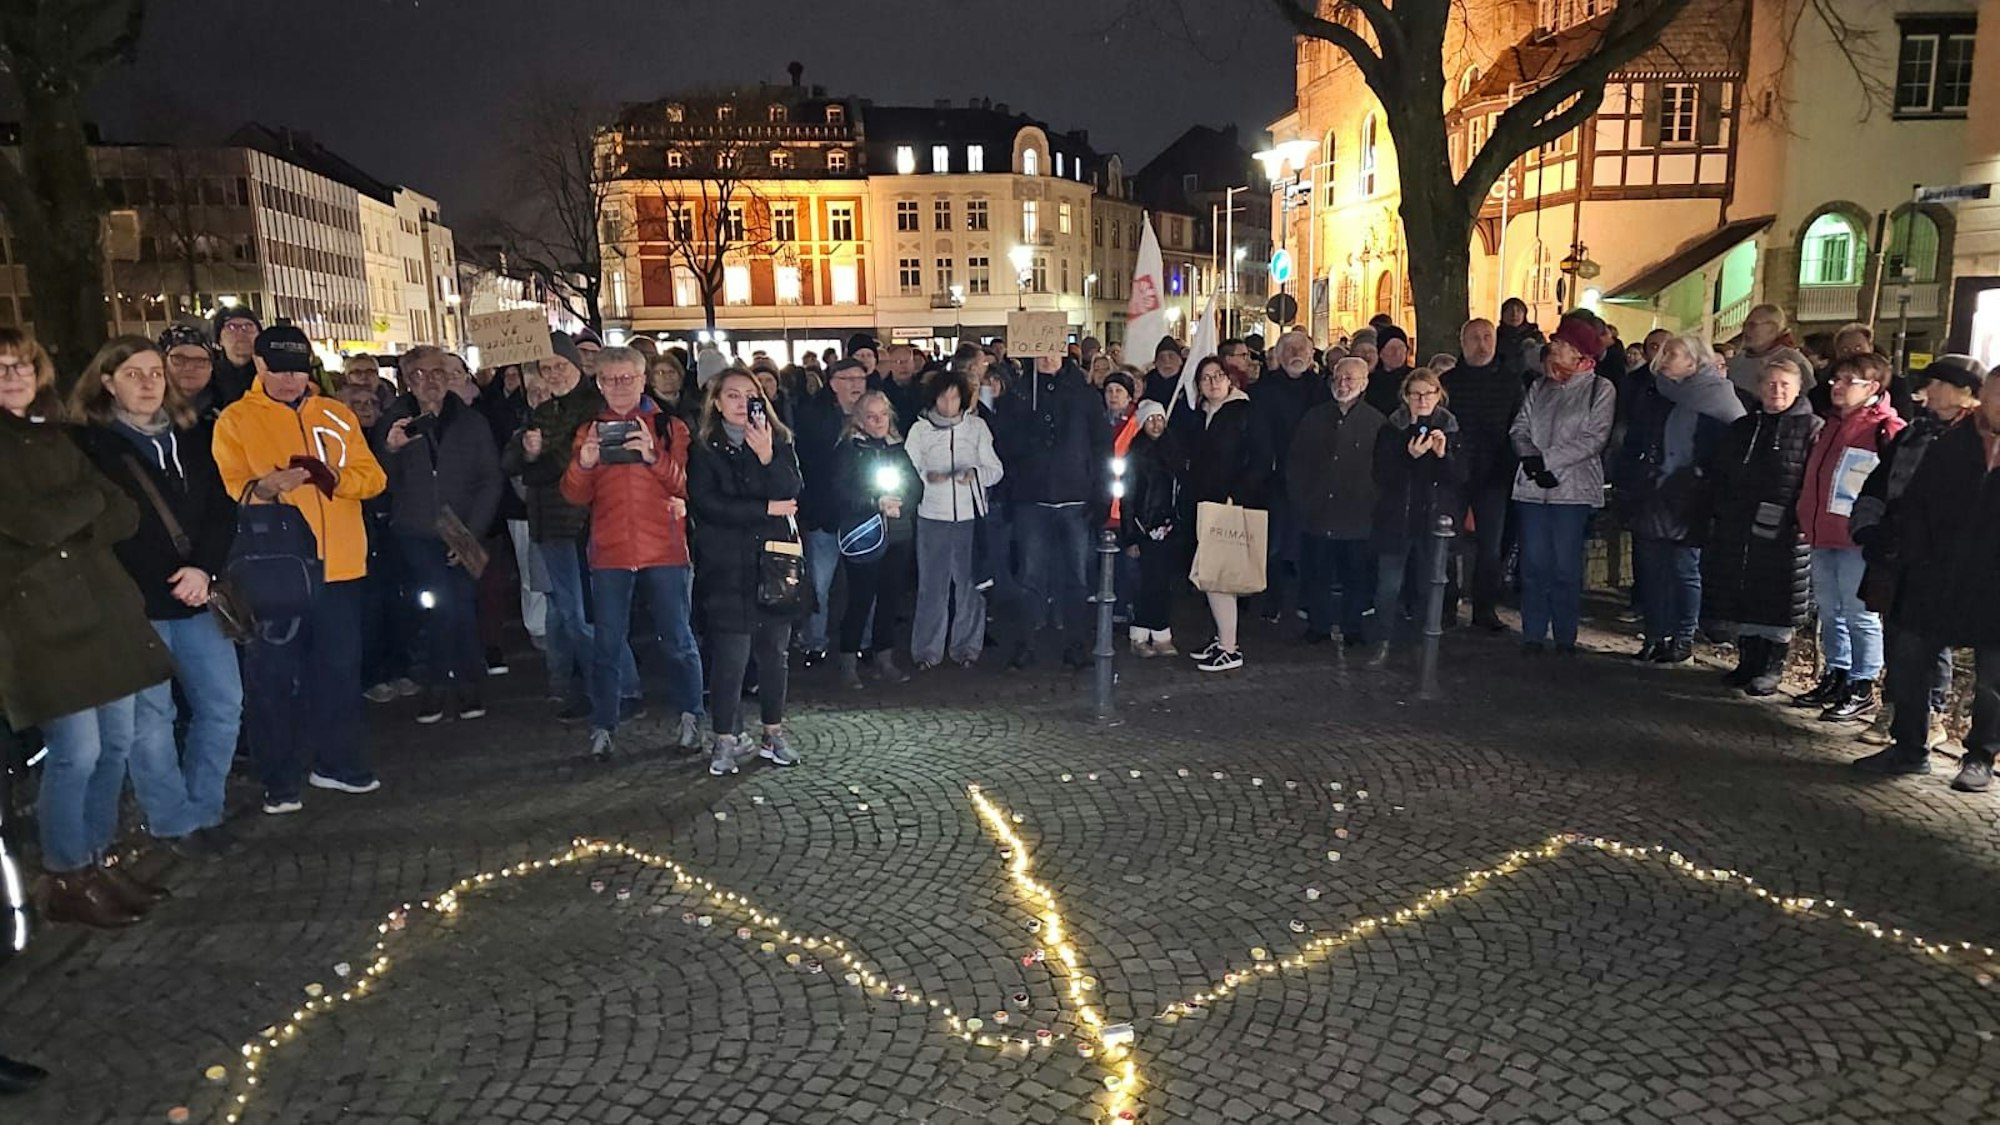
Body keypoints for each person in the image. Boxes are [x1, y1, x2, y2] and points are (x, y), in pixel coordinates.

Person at [0, 328, 177, 929]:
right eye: (1, 368)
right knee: (76, 753)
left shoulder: (56, 436)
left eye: (22, 364)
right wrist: (78, 514)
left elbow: (121, 512)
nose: (14, 376)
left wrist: (68, 521)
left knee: (115, 745)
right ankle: (65, 872)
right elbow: (28, 524)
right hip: (40, 620)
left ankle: (94, 858)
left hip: (102, 611)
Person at [67, 337, 241, 860]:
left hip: (197, 594)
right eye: (133, 374)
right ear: (106, 382)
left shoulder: (193, 436)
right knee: (152, 720)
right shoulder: (89, 447)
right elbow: (106, 529)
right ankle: (173, 822)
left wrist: (203, 569)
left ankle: (205, 807)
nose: (147, 384)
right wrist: (165, 576)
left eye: (154, 373)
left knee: (224, 705)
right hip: (136, 603)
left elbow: (221, 508)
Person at [213, 325, 387, 814]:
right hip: (277, 570)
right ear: (260, 366)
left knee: (338, 670)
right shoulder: (235, 420)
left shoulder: (335, 414)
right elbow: (230, 486)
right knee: (273, 676)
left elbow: (373, 476)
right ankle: (280, 777)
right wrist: (264, 488)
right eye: (279, 369)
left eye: (298, 369)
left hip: (341, 567)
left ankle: (337, 762)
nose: (290, 380)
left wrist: (335, 479)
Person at [1853, 360, 2000, 791]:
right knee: (1910, 658)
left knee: (1993, 679)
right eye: (1993, 393)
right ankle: (1909, 746)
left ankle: (1980, 757)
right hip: (1932, 572)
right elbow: (1915, 503)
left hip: (1992, 582)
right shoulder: (1951, 445)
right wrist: (1910, 554)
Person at [560, 345, 705, 761]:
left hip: (665, 550)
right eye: (611, 379)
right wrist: (584, 463)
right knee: (606, 645)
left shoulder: (669, 427)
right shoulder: (589, 429)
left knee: (678, 640)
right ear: (600, 384)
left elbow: (685, 485)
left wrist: (652, 457)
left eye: (628, 378)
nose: (620, 386)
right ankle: (603, 726)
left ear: (643, 380)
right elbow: (573, 495)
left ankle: (691, 716)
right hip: (611, 551)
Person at [507, 334, 641, 721]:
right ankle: (600, 685)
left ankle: (623, 687)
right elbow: (511, 458)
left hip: (584, 524)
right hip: (550, 525)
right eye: (546, 368)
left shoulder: (592, 407)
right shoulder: (544, 410)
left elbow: (565, 464)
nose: (553, 374)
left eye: (559, 366)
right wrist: (528, 454)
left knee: (590, 617)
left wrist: (533, 459)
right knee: (572, 616)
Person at [686, 368, 807, 775]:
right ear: (717, 402)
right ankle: (724, 738)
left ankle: (772, 732)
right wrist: (763, 509)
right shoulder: (705, 448)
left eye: (749, 395)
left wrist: (768, 455)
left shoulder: (779, 439)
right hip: (726, 567)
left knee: (775, 654)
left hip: (771, 562)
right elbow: (707, 504)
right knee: (731, 658)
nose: (741, 404)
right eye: (732, 396)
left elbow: (791, 487)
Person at [382, 346, 504, 722]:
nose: (430, 381)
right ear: (406, 380)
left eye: (438, 373)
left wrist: (473, 529)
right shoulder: (393, 422)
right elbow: (377, 480)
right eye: (419, 374)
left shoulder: (470, 422)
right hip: (416, 531)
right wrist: (390, 449)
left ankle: (465, 682)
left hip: (463, 528)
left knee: (462, 605)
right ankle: (439, 681)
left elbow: (489, 478)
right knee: (435, 606)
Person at [1616, 333, 1745, 663]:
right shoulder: (1657, 392)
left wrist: (1698, 477)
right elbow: (1637, 437)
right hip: (1653, 491)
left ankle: (1683, 637)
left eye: (1673, 352)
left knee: (1683, 568)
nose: (1664, 357)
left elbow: (1727, 449)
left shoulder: (1716, 397)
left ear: (1693, 360)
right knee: (1651, 567)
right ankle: (1656, 634)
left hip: (1691, 495)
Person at [1702, 351, 1822, 697]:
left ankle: (1771, 666)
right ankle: (1748, 661)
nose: (1777, 391)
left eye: (1785, 385)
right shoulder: (1745, 427)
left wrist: (1792, 516)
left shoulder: (1811, 429)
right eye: (1770, 384)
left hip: (1785, 532)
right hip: (1741, 526)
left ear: (1798, 389)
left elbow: (1810, 480)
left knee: (1778, 600)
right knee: (1746, 593)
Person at [1794, 351, 1904, 722]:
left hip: (1857, 539)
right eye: (1835, 380)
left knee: (1860, 614)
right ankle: (1838, 673)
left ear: (1872, 387)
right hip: (1822, 531)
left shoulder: (1885, 429)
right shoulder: (1830, 424)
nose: (1837, 387)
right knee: (1829, 609)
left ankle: (1863, 683)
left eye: (1847, 381)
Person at [1510, 317, 1617, 654]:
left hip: (1571, 491)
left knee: (1565, 566)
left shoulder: (1600, 389)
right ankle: (1533, 633)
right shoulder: (1540, 387)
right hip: (1531, 489)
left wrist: (1549, 460)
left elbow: (1594, 438)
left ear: (1578, 352)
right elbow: (1520, 427)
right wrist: (1530, 458)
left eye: (1560, 344)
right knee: (1533, 564)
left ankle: (1565, 635)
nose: (1552, 348)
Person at [1011, 352, 1112, 668]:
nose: (1045, 358)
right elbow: (1007, 441)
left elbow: (1101, 446)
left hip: (1075, 499)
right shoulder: (1022, 391)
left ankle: (1076, 643)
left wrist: (1100, 494)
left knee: (1077, 578)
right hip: (1033, 499)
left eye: (1051, 350)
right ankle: (1025, 642)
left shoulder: (1083, 395)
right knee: (1030, 577)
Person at [904, 367, 1004, 669]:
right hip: (932, 515)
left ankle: (966, 648)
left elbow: (995, 469)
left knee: (969, 584)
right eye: (943, 398)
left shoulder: (977, 429)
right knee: (931, 584)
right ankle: (926, 650)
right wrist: (926, 477)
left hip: (970, 517)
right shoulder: (919, 431)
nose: (948, 404)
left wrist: (974, 475)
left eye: (954, 398)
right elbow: (908, 469)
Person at [1367, 367, 1464, 666]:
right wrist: (1408, 457)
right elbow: (1381, 475)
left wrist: (1442, 455)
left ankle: (1423, 644)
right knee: (1389, 586)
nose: (1422, 400)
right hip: (1398, 518)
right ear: (1406, 397)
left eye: (1428, 393)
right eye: (1415, 394)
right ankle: (1383, 641)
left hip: (1433, 520)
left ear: (1439, 396)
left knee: (1428, 586)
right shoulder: (1391, 428)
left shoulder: (1450, 429)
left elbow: (1460, 477)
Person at [1291, 357, 1387, 647]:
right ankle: (1318, 625)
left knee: (1355, 575)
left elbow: (1383, 470)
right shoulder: (1314, 417)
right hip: (1318, 511)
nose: (1343, 384)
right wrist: (1303, 499)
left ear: (1364, 383)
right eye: (1339, 378)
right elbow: (1296, 462)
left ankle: (1353, 627)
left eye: (1350, 379)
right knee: (1317, 571)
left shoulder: (1376, 422)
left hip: (1358, 514)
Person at [1186, 356, 1271, 672]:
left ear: (1230, 378)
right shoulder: (1202, 415)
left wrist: (1238, 495)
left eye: (1217, 375)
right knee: (1212, 574)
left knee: (1222, 577)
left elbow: (1262, 459)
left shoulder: (1246, 411)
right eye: (1205, 378)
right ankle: (1222, 637)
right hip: (1207, 504)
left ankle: (1229, 647)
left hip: (1232, 504)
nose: (1212, 382)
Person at [832, 390, 921, 687]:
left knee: (890, 598)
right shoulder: (850, 449)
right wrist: (875, 502)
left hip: (898, 533)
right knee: (859, 599)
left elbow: (915, 485)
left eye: (883, 415)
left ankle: (884, 657)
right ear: (859, 419)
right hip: (865, 536)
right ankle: (848, 660)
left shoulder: (897, 446)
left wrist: (902, 504)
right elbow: (841, 492)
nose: (878, 421)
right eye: (871, 416)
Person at [1442, 318, 1522, 631]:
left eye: (1487, 336)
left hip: (1493, 475)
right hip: (1453, 473)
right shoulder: (1449, 381)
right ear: (1462, 343)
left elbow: (1518, 427)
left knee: (1490, 546)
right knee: (1447, 543)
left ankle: (1485, 609)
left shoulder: (1510, 382)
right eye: (1474, 337)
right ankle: (1446, 606)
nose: (1481, 343)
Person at [793, 356, 871, 664]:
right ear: (833, 383)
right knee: (819, 585)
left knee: (862, 584)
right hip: (825, 513)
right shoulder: (814, 415)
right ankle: (815, 641)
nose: (855, 385)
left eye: (860, 379)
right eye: (848, 379)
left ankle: (862, 641)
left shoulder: (872, 413)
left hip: (861, 515)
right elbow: (810, 465)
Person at [1249, 330, 1322, 624]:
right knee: (1275, 543)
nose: (1295, 354)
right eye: (1289, 348)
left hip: (1314, 479)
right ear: (1278, 356)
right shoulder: (1265, 389)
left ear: (1311, 353)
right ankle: (1273, 599)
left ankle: (1306, 599)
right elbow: (1259, 434)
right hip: (1276, 477)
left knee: (1310, 542)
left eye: (1301, 348)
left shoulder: (1321, 388)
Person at [1121, 399, 1185, 655]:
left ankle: (1161, 632)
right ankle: (1141, 633)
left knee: (1163, 583)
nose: (1156, 425)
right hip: (1145, 528)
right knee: (1146, 583)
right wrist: (1131, 536)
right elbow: (1128, 498)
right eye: (1150, 420)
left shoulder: (1173, 451)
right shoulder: (1135, 455)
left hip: (1169, 528)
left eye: (1159, 419)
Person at [1725, 304, 1810, 405]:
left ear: (1773, 328)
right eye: (1745, 325)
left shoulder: (1794, 360)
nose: (1746, 331)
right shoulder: (1735, 362)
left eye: (1752, 325)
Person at [158, 322, 228, 423]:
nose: (189, 367)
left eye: (200, 361)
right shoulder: (146, 411)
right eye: (179, 359)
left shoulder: (228, 407)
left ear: (211, 367)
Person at [209, 305, 261, 406]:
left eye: (248, 326)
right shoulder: (207, 376)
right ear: (219, 339)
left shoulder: (272, 374)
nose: (241, 332)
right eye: (231, 327)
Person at [1364, 325, 1414, 416]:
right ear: (1380, 352)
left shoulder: (1414, 377)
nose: (1397, 352)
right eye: (1391, 348)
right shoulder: (1369, 381)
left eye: (1401, 347)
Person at [1495, 298, 1544, 383]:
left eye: (1519, 310)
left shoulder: (1535, 335)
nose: (1514, 314)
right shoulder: (1495, 337)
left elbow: (1543, 361)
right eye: (1509, 311)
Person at [1142, 336, 1185, 405]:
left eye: (1171, 356)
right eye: (1161, 357)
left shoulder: (1188, 382)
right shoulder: (1147, 383)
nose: (1166, 361)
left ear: (1180, 361)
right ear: (1155, 363)